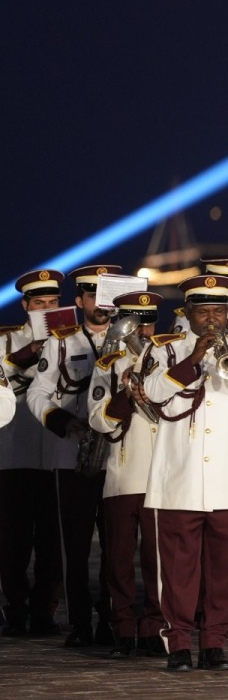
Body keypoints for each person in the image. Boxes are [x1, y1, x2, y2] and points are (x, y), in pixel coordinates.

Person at [140, 274, 228, 671]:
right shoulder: (163, 348)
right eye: (204, 311)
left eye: (219, 310)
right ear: (188, 313)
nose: (212, 319)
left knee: (226, 568)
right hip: (177, 476)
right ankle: (178, 642)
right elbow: (153, 392)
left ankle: (215, 642)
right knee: (178, 568)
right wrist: (194, 359)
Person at [27, 264, 122, 648]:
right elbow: (37, 393)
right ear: (80, 301)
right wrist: (63, 422)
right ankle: (81, 623)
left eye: (108, 298)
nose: (102, 306)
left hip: (120, 458)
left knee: (118, 548)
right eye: (94, 298)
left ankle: (115, 620)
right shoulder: (61, 342)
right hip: (74, 457)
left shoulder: (136, 339)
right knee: (76, 548)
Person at [86, 290, 167, 658]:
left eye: (148, 322)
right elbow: (98, 419)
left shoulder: (170, 357)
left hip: (163, 474)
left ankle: (154, 629)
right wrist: (125, 392)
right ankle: (122, 631)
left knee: (159, 561)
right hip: (122, 472)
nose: (143, 330)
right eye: (136, 322)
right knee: (117, 562)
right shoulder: (108, 363)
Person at [0, 270, 65, 638]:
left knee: (52, 543)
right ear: (25, 306)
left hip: (55, 455)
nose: (46, 309)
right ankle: (14, 609)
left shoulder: (70, 341)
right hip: (14, 453)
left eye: (53, 303)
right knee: (13, 541)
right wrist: (28, 354)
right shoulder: (7, 342)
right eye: (39, 303)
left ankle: (46, 611)